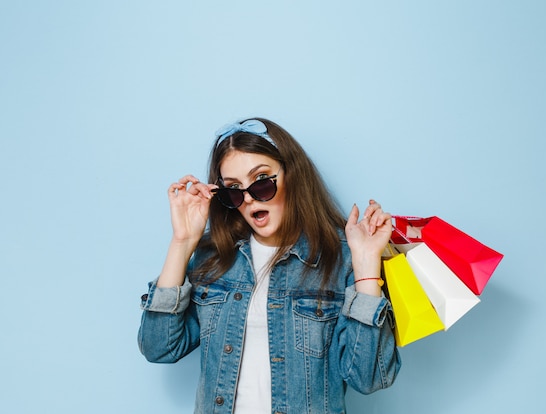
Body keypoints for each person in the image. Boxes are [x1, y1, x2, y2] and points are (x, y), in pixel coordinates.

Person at [138, 118, 401, 413]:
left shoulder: (340, 258)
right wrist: (183, 242)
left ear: (293, 175)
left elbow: (370, 378)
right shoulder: (215, 258)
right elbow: (159, 347)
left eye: (261, 182)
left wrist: (366, 267)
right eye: (234, 190)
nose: (249, 198)